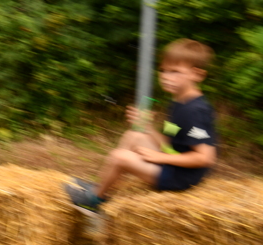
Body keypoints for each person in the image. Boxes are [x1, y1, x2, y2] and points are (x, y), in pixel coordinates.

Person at [66, 39, 217, 213]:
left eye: (175, 72)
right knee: (134, 135)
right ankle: (102, 185)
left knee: (119, 157)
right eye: (163, 70)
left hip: (181, 177)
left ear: (197, 74)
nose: (166, 77)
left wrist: (161, 158)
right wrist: (148, 127)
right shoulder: (178, 102)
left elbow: (205, 158)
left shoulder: (195, 110)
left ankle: (94, 199)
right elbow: (170, 142)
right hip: (174, 164)